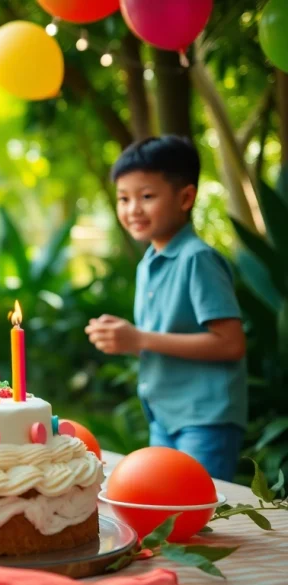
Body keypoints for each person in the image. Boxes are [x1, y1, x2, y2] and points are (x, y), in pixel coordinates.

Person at [85, 136, 247, 481]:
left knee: (200, 522)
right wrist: (124, 337)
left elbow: (231, 343)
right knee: (166, 520)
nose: (133, 209)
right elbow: (159, 335)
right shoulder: (150, 263)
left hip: (205, 420)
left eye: (146, 196)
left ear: (185, 198)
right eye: (124, 198)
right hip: (164, 417)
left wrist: (139, 338)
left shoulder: (198, 259)